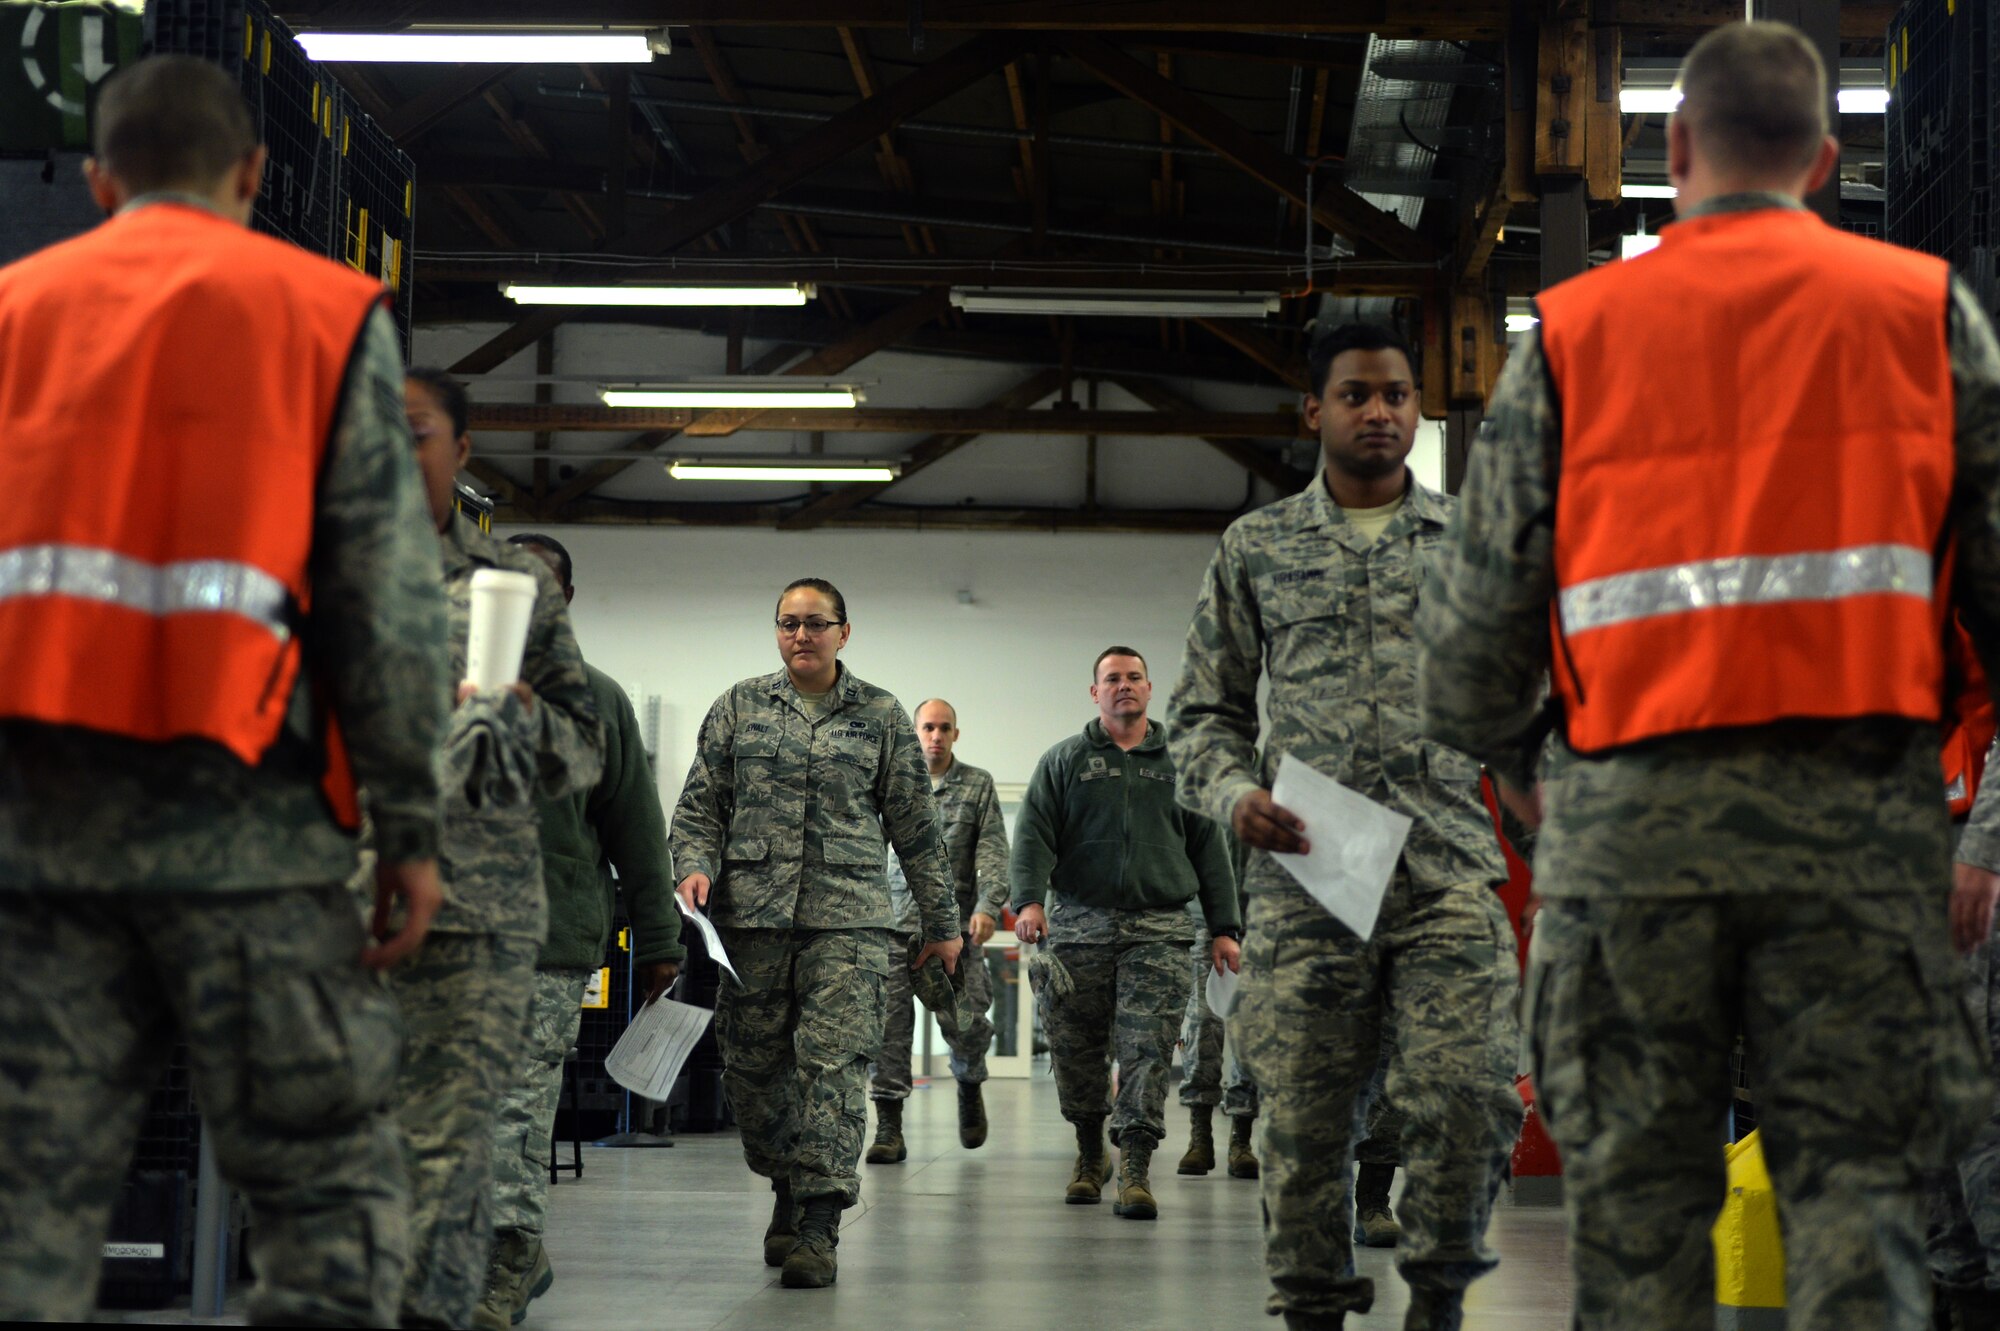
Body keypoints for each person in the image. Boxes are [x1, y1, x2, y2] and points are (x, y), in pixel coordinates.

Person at [1417, 22, 2000, 1331]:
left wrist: (1544, 788)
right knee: (1860, 1216)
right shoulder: (1927, 321)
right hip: (1855, 857)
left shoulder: (1571, 337)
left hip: (1627, 852)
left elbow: (1463, 666)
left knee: (1636, 1231)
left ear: (1672, 149)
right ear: (1827, 158)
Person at [0, 56, 448, 1326]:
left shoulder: (11, 309)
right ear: (254, 174)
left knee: (18, 1210)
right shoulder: (321, 313)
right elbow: (385, 601)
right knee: (324, 1206)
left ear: (97, 182)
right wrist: (409, 827)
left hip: (36, 847)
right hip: (252, 844)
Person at [1166, 322, 1522, 1331]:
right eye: (1357, 394)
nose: (1379, 412)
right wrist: (1232, 792)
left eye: (1398, 395)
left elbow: (1526, 705)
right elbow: (1204, 713)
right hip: (1308, 878)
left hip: (1444, 872)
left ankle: (1439, 1297)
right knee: (1304, 1125)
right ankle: (1314, 1304)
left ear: (1419, 409)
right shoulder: (1259, 547)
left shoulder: (1470, 543)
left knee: (1466, 1098)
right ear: (1313, 411)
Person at [670, 578, 963, 1290]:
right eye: (788, 623)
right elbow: (699, 807)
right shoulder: (739, 706)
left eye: (816, 623)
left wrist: (943, 925)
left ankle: (819, 1224)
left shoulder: (883, 714)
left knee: (832, 1072)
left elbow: (918, 832)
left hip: (850, 923)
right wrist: (693, 868)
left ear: (844, 631)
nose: (801, 635)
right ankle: (786, 1184)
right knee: (755, 1074)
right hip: (752, 925)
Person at [397, 369, 603, 1330]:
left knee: (470, 1136)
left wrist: (517, 724)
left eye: (414, 432)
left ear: (460, 448)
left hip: (480, 917)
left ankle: (487, 1275)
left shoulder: (510, 589)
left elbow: (587, 750)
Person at [473, 533, 685, 1331]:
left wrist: (659, 940)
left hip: (548, 943)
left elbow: (636, 827)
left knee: (515, 1114)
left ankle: (507, 1257)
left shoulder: (597, 701)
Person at [1012, 647, 1241, 1222]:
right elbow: (1033, 834)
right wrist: (1030, 901)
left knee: (1148, 1052)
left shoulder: (1182, 765)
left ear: (1148, 687)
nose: (1123, 687)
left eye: (1133, 678)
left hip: (1160, 930)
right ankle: (1091, 1155)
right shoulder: (1062, 761)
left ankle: (1135, 1168)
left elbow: (1211, 851)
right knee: (1076, 1051)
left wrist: (1223, 928)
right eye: (1111, 679)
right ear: (1095, 692)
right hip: (1078, 928)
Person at [866, 698, 1011, 1161]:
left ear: (955, 733)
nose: (935, 736)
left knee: (966, 1027)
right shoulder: (891, 782)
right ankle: (889, 1127)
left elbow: (992, 851)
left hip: (954, 934)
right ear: (914, 731)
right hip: (891, 930)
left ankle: (969, 1084)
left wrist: (988, 906)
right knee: (888, 1033)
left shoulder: (977, 786)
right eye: (928, 727)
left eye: (944, 728)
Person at [1174, 920, 1261, 1180]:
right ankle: (1200, 1137)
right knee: (1201, 1025)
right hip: (1204, 924)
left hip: (1259, 919)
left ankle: (1241, 1139)